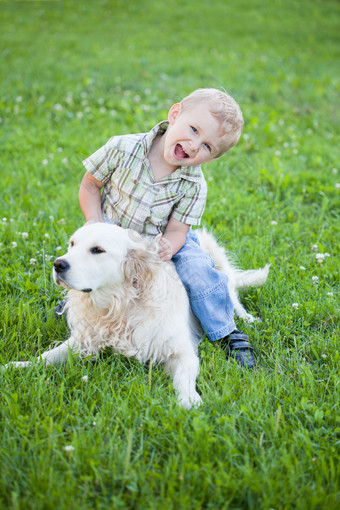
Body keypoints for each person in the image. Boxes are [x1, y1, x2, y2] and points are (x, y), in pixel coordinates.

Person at [65, 88, 255, 368]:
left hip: (160, 241)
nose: (193, 145)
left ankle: (225, 330)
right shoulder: (122, 148)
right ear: (175, 114)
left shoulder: (194, 184)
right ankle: (86, 294)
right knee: (88, 258)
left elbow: (179, 230)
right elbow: (90, 185)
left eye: (206, 147)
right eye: (193, 129)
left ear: (212, 158)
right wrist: (95, 223)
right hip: (113, 235)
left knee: (197, 271)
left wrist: (169, 243)